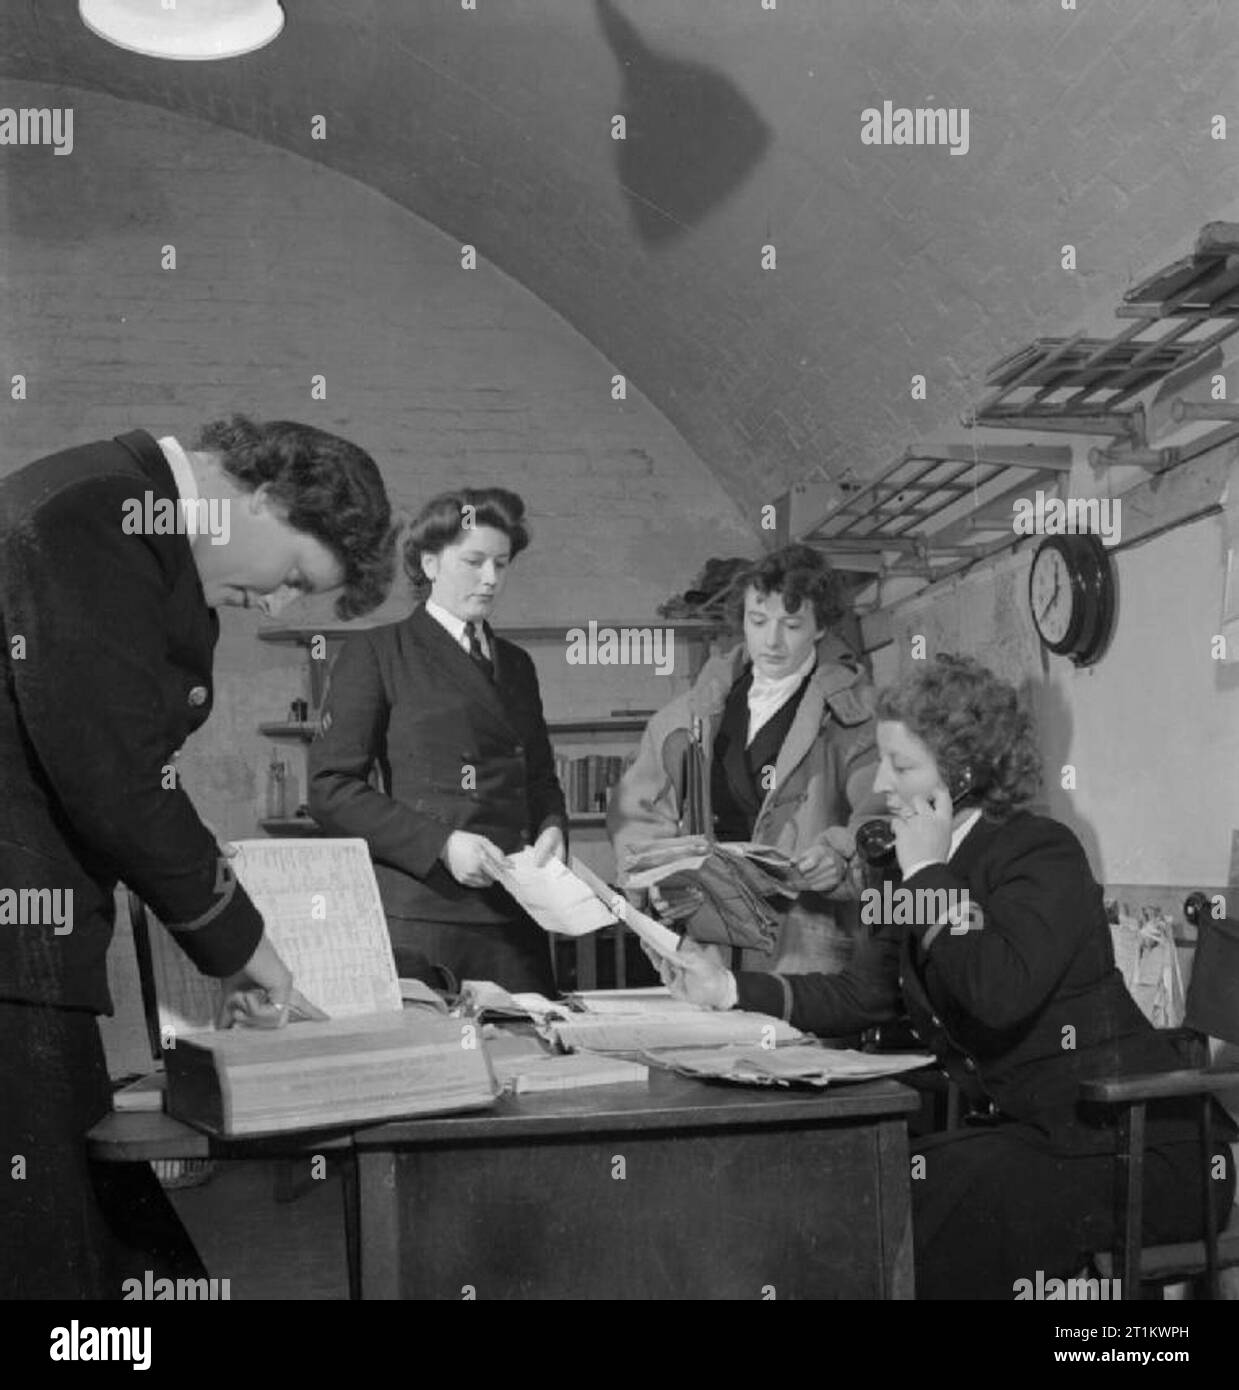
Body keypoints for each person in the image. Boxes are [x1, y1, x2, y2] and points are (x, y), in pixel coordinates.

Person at [655, 654, 1238, 1298]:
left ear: (960, 775)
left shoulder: (1040, 852)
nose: (881, 783)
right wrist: (731, 990)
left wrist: (930, 874)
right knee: (890, 1186)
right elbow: (864, 995)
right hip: (1040, 1139)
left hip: (1144, 1146)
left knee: (948, 1209)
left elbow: (998, 994)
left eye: (901, 766)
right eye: (883, 761)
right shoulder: (906, 866)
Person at [0, 415, 397, 1299]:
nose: (279, 604)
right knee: (62, 1265)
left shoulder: (110, 506)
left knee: (104, 1259)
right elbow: (120, 779)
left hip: (29, 945)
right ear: (263, 496)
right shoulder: (96, 517)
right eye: (295, 575)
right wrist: (251, 955)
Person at [308, 487, 567, 995]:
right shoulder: (378, 653)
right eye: (474, 561)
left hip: (519, 918)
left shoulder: (517, 664)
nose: (491, 578)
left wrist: (553, 826)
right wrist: (442, 844)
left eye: (501, 563)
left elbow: (538, 776)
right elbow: (330, 789)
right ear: (429, 563)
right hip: (425, 919)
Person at [609, 543, 885, 976]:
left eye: (791, 625)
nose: (771, 641)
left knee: (802, 1042)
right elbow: (639, 813)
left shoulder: (857, 714)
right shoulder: (693, 711)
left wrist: (843, 856)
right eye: (758, 621)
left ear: (819, 628)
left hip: (806, 949)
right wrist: (657, 872)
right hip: (709, 948)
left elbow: (883, 811)